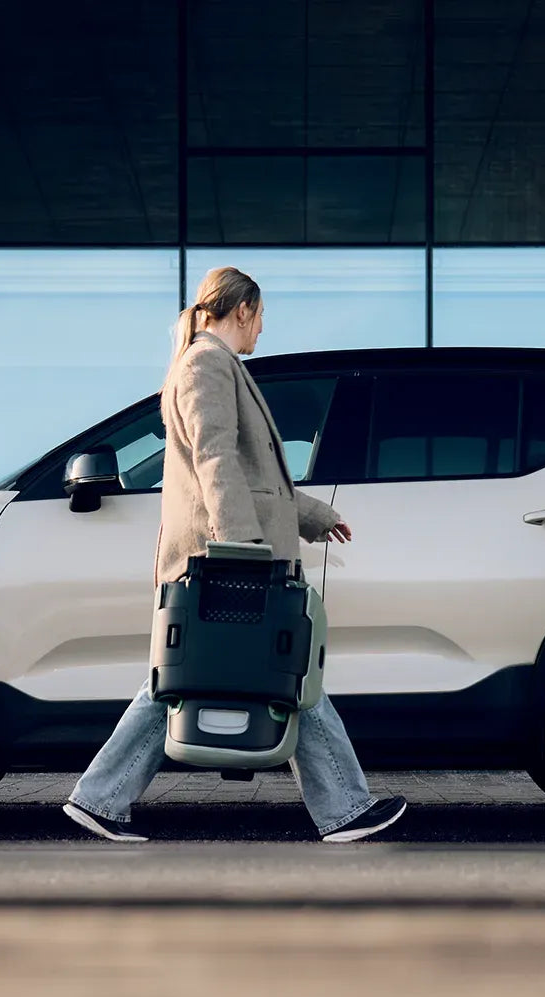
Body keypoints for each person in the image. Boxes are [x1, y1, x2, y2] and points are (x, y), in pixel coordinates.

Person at [63, 266, 407, 843]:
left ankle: (99, 799)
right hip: (222, 558)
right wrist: (241, 547)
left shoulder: (214, 364)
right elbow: (216, 459)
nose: (262, 329)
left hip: (220, 556)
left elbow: (256, 477)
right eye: (261, 316)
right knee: (274, 672)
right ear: (242, 310)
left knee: (205, 677)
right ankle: (345, 810)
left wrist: (316, 517)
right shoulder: (206, 365)